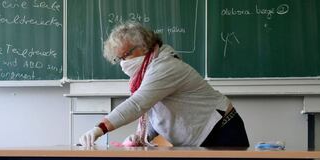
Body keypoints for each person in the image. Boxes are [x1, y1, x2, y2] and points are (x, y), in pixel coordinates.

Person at [79, 22, 249, 149]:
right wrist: (141, 136)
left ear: (143, 47)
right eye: (119, 59)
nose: (123, 63)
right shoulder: (148, 70)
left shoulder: (164, 66)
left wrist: (99, 128)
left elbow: (138, 104)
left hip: (222, 131)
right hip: (196, 138)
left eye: (126, 55)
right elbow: (159, 111)